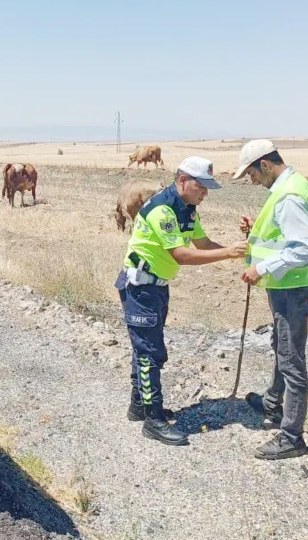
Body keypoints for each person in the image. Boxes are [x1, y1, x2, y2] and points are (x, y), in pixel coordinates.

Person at [116, 156, 247, 446]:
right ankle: (154, 421)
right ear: (183, 181)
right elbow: (182, 255)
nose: (206, 193)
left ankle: (140, 405)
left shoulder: (187, 209)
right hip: (140, 288)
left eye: (208, 187)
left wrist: (235, 250)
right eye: (202, 186)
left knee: (145, 348)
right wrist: (228, 254)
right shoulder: (163, 209)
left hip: (156, 287)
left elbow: (202, 245)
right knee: (150, 353)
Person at [233, 139, 308, 460]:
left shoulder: (289, 196)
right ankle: (272, 402)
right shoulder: (289, 188)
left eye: (251, 174)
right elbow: (282, 237)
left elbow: (302, 248)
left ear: (265, 165)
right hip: (287, 287)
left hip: (292, 290)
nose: (251, 180)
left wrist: (262, 268)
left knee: (291, 359)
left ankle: (291, 435)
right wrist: (253, 231)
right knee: (281, 347)